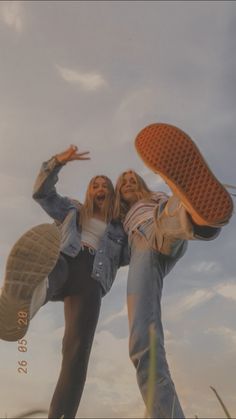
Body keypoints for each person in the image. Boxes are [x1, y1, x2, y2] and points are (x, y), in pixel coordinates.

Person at [113, 123, 233, 419]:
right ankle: (197, 216)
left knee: (168, 216)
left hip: (160, 225)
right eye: (123, 180)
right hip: (142, 253)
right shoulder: (118, 220)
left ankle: (194, 211)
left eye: (132, 177)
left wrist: (175, 199)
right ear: (119, 190)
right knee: (141, 342)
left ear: (141, 182)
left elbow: (162, 219)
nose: (128, 181)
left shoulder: (154, 198)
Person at [0, 145, 129, 419]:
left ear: (111, 195)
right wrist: (57, 162)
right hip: (67, 260)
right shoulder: (72, 208)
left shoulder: (120, 229)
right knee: (47, 276)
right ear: (89, 192)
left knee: (77, 352)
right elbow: (42, 194)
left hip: (92, 282)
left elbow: (135, 253)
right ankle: (18, 311)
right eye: (95, 184)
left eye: (104, 185)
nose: (100, 187)